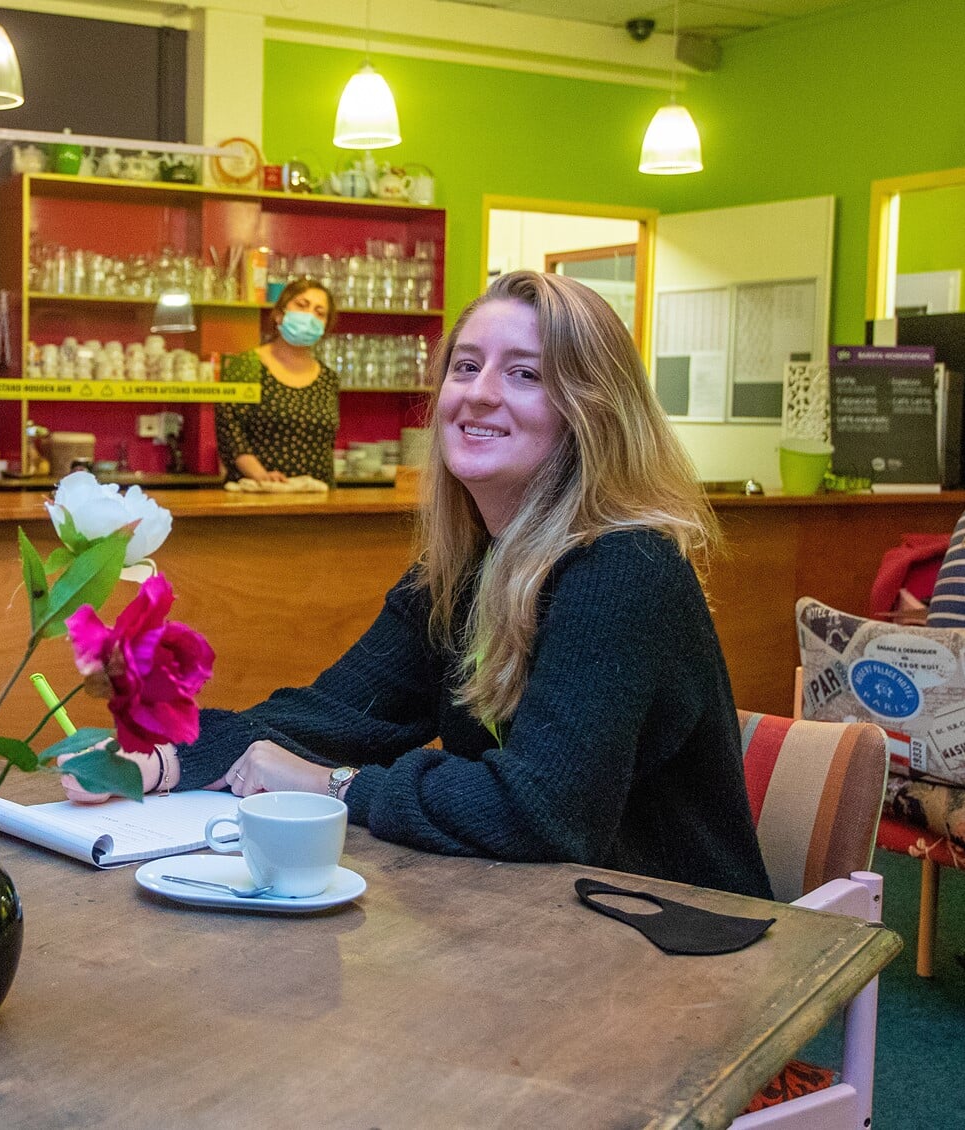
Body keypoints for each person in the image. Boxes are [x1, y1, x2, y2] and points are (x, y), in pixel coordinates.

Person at [85, 270, 772, 898]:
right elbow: (329, 718)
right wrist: (157, 759)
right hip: (540, 920)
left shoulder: (624, 566)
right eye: (464, 367)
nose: (477, 392)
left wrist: (336, 787)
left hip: (671, 942)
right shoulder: (463, 570)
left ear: (591, 412)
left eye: (525, 374)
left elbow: (544, 814)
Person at [214, 276, 340, 484]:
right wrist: (262, 476)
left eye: (320, 313)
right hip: (258, 497)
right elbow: (231, 434)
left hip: (317, 499)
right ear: (280, 314)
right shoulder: (245, 366)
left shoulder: (328, 379)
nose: (309, 316)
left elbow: (327, 443)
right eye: (302, 305)